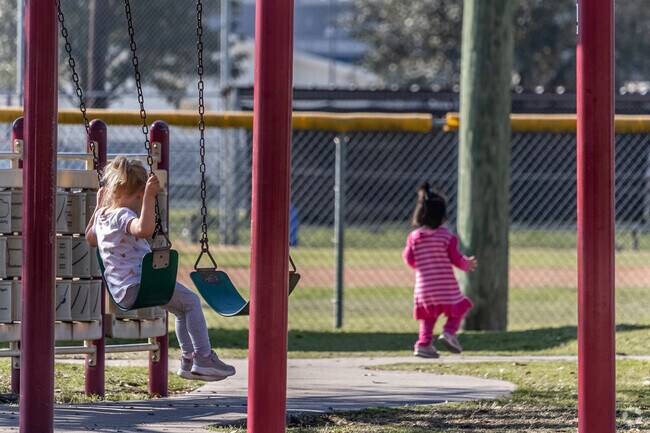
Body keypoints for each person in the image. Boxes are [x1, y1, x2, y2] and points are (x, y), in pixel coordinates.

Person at [85, 156, 236, 381]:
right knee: (192, 303)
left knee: (181, 309)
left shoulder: (103, 215)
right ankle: (204, 357)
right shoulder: (123, 215)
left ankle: (187, 360)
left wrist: (97, 207)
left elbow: (90, 239)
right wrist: (150, 196)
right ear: (138, 194)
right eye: (141, 197)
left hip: (123, 291)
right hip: (140, 285)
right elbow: (143, 229)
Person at [402, 182, 478, 358]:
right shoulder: (446, 237)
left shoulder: (414, 237)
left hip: (423, 288)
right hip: (445, 286)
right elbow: (456, 259)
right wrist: (468, 264)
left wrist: (423, 267)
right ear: (442, 217)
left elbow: (408, 258)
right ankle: (449, 332)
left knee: (428, 317)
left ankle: (423, 344)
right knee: (459, 307)